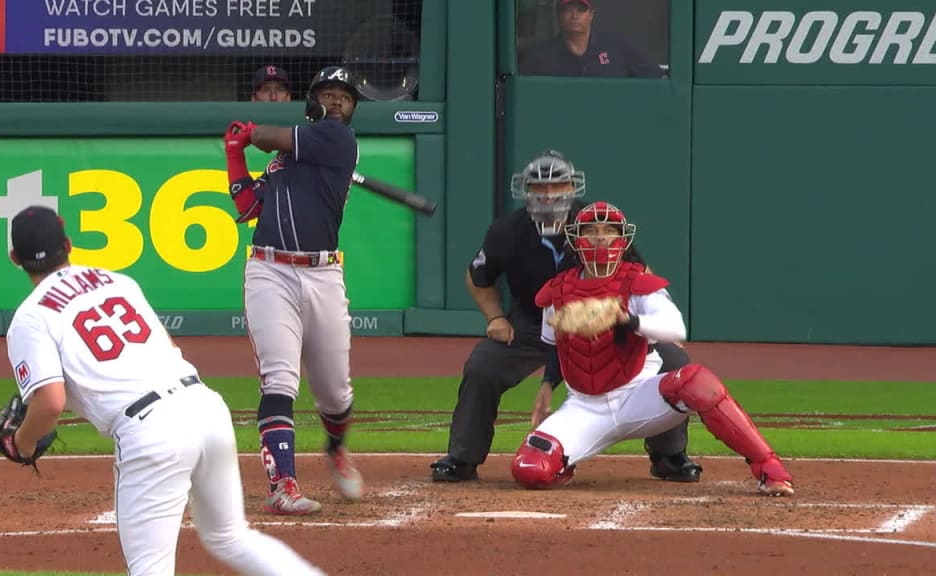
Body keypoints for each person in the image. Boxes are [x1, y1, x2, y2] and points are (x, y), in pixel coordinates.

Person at [2, 206, 325, 575]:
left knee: (149, 568)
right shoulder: (118, 281)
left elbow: (50, 402)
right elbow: (170, 348)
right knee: (231, 537)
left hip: (150, 433)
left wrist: (22, 445)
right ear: (69, 245)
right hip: (205, 406)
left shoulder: (29, 318)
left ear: (15, 258)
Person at [430, 150, 703, 484]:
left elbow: (641, 272)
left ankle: (669, 456)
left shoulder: (596, 223)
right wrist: (495, 318)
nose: (548, 196)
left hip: (606, 323)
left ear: (572, 188)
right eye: (539, 189)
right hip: (535, 324)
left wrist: (658, 323)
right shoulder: (507, 231)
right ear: (525, 191)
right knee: (482, 366)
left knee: (673, 359)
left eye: (557, 188)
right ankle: (462, 458)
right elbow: (477, 277)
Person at [511, 201, 795, 497]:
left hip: (638, 395)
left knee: (696, 381)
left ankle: (769, 468)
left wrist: (626, 319)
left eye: (609, 231)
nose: (600, 238)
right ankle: (563, 463)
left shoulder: (636, 281)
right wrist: (545, 388)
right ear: (575, 239)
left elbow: (675, 328)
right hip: (584, 407)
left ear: (622, 239)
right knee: (530, 469)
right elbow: (554, 347)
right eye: (591, 230)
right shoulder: (557, 290)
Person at [224, 66, 363, 515]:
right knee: (280, 378)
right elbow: (246, 207)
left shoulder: (338, 140)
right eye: (329, 93)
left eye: (345, 96)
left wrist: (251, 133)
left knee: (336, 395)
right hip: (269, 272)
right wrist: (233, 154)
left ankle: (336, 448)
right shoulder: (286, 159)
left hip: (322, 275)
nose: (337, 101)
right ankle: (282, 484)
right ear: (313, 100)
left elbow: (266, 136)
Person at [518, 0, 665, 78]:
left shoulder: (616, 47)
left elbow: (656, 78)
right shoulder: (541, 55)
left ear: (590, 15)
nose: (574, 16)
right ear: (558, 15)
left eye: (581, 10)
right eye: (567, 9)